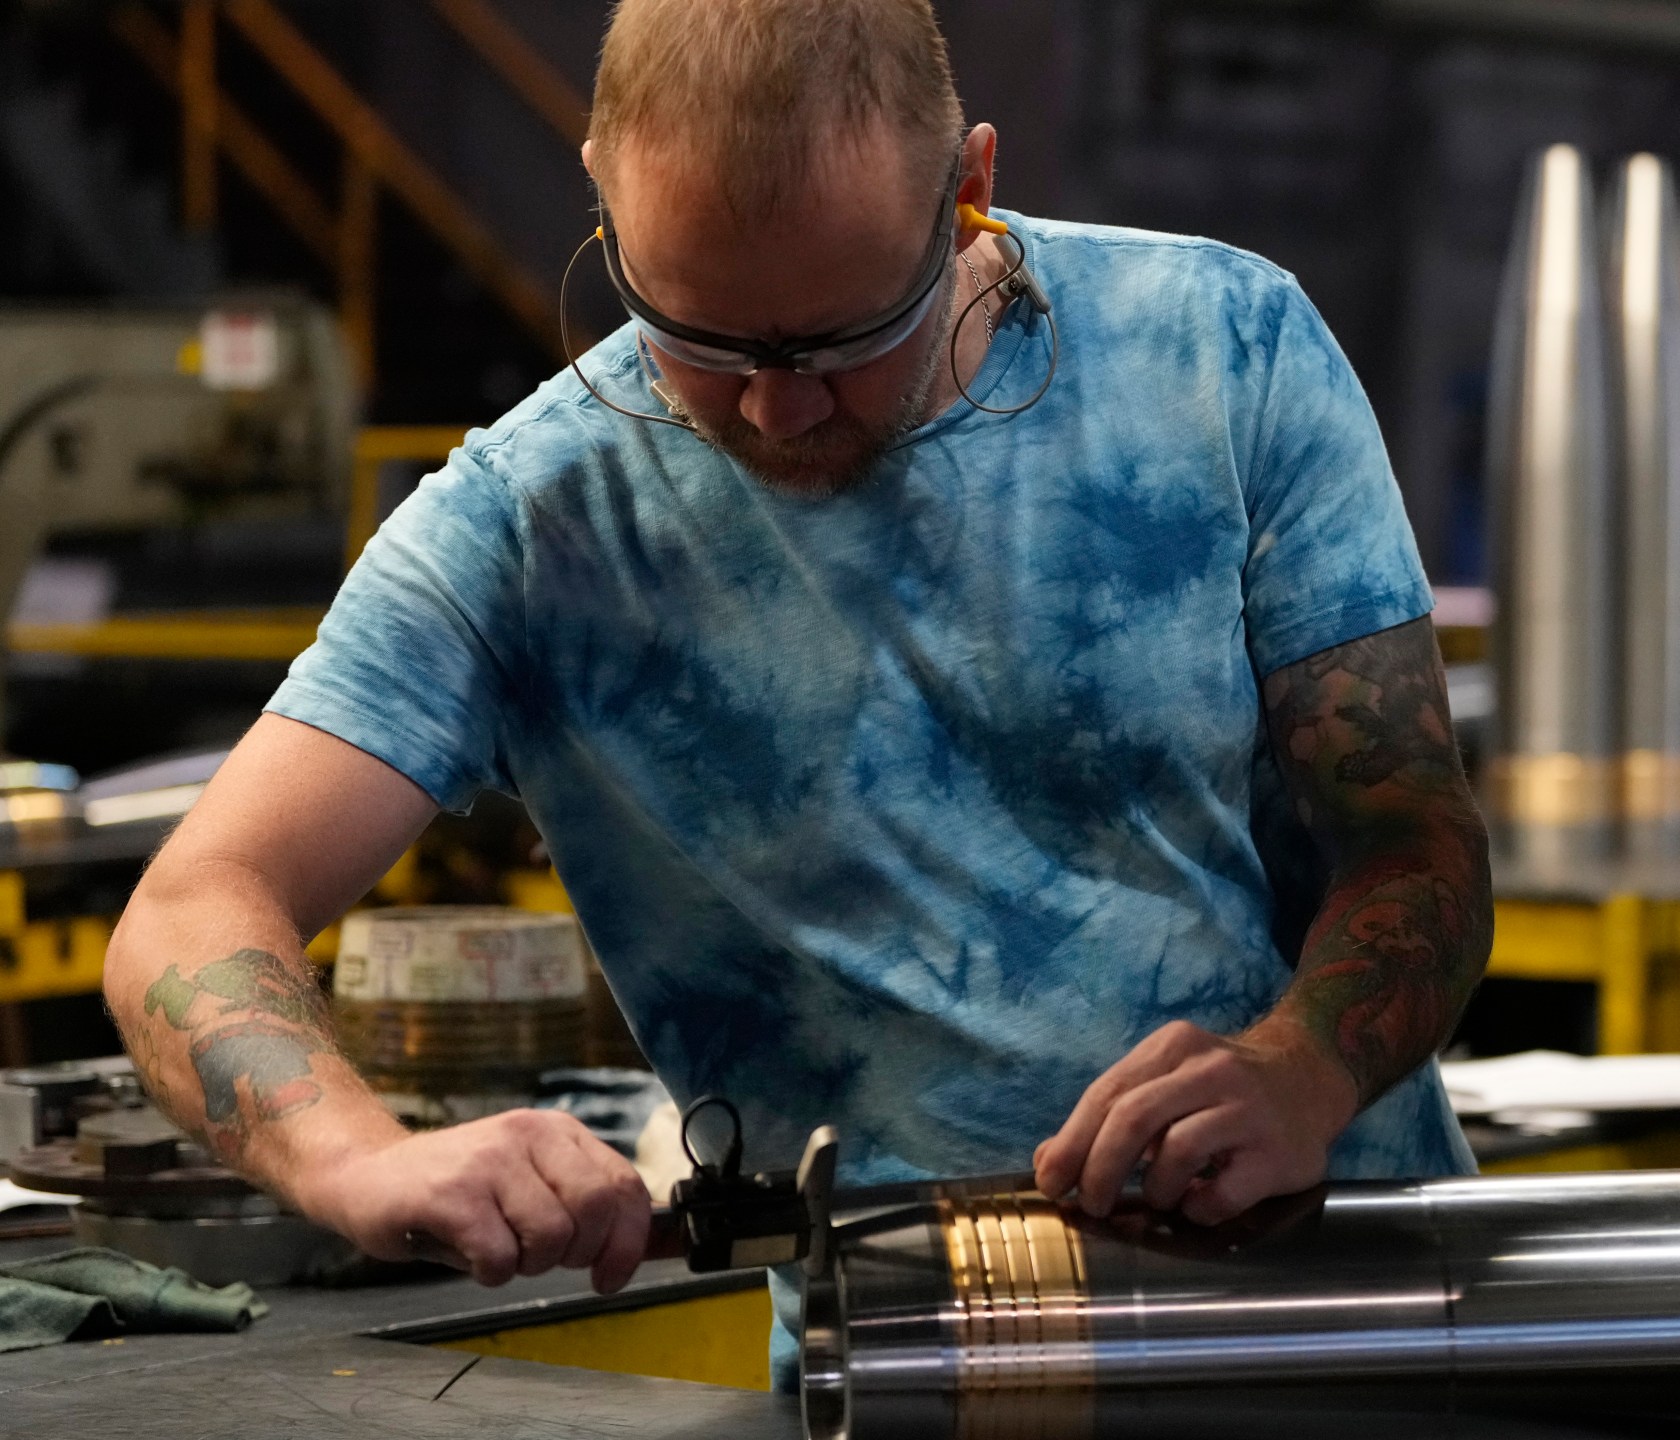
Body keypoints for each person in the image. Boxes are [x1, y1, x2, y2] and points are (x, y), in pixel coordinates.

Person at [98, 0, 1489, 1385]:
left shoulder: (1222, 355)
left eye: (837, 343)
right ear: (601, 190)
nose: (775, 412)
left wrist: (1299, 1074)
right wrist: (359, 1161)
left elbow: (1414, 847)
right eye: (694, 338)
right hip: (908, 1363)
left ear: (968, 192)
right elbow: (189, 907)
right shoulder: (534, 529)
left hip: (1347, 1306)